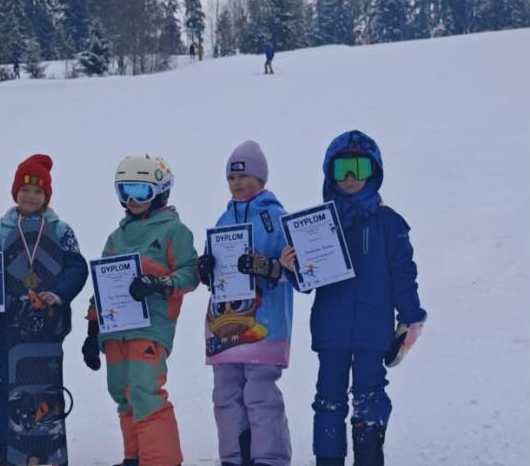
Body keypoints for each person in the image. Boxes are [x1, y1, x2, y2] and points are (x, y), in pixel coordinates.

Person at [281, 131, 426, 466]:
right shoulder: (318, 224)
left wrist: (410, 316)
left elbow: (403, 272)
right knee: (328, 400)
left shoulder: (388, 222)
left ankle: (369, 458)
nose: (349, 177)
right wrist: (292, 268)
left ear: (373, 172)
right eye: (341, 169)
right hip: (331, 329)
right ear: (329, 173)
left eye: (359, 168)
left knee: (369, 397)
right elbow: (308, 283)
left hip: (372, 331)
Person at [0, 154, 88, 466]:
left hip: (49, 324)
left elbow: (77, 269)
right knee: (8, 385)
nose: (30, 196)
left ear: (47, 195)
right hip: (11, 325)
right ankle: (2, 447)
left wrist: (58, 295)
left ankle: (47, 446)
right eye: (24, 189)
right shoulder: (0, 231)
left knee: (46, 387)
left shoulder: (61, 229)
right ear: (14, 192)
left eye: (38, 191)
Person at [81, 154, 199, 466]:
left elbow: (191, 272)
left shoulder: (173, 231)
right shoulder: (117, 237)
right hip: (115, 327)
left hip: (150, 326)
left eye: (141, 191)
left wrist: (160, 284)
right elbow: (102, 285)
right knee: (121, 392)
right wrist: (92, 330)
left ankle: (160, 460)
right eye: (125, 191)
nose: (132, 200)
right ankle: (135, 457)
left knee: (144, 389)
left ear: (160, 191)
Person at [198, 141, 293, 466]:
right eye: (231, 178)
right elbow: (216, 268)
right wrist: (205, 268)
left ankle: (269, 457)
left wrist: (269, 267)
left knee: (259, 393)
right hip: (223, 325)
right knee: (225, 393)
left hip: (264, 323)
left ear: (260, 178)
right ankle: (234, 457)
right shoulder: (224, 218)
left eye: (243, 176)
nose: (236, 183)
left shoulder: (275, 217)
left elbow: (295, 269)